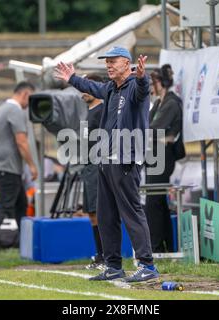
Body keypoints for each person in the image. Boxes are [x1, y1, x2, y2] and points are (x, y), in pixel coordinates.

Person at [54, 46, 159, 282]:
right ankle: (113, 265)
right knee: (106, 215)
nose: (108, 65)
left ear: (127, 64)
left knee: (131, 212)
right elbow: (92, 87)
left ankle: (147, 265)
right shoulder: (111, 88)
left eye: (113, 61)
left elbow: (143, 89)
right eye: (107, 62)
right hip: (106, 160)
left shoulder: (135, 85)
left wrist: (142, 77)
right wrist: (72, 78)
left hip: (126, 159)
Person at [0, 81, 38, 257]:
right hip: (8, 167)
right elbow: (21, 141)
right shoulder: (15, 110)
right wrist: (32, 165)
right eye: (30, 98)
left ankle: (24, 245)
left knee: (21, 205)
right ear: (25, 94)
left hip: (4, 165)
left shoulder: (3, 108)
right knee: (5, 206)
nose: (29, 104)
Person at [145, 64, 182, 253]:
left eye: (152, 83)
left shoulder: (171, 103)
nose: (150, 87)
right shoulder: (160, 102)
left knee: (153, 201)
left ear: (160, 83)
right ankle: (164, 245)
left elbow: (153, 128)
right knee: (157, 202)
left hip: (163, 155)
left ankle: (157, 246)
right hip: (155, 153)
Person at [80, 73, 106, 270]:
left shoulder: (102, 110)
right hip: (88, 166)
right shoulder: (89, 111)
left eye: (86, 87)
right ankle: (100, 255)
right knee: (91, 213)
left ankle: (106, 257)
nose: (82, 92)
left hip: (98, 166)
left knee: (101, 211)